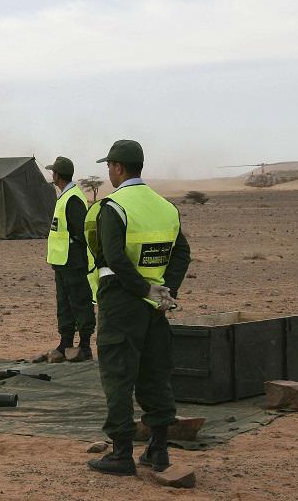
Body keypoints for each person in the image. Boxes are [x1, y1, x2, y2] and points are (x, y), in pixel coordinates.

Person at [83, 140, 191, 476]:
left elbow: (114, 257)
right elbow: (182, 253)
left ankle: (121, 453)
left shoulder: (113, 206)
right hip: (154, 306)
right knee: (155, 373)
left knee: (118, 375)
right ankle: (158, 451)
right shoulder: (165, 207)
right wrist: (163, 290)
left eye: (109, 167)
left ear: (117, 167)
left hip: (121, 301)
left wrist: (143, 288)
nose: (108, 173)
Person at [44, 156, 95, 362]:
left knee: (80, 302)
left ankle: (84, 345)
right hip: (62, 261)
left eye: (53, 172)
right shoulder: (65, 196)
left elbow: (80, 231)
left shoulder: (73, 198)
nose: (52, 176)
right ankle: (66, 342)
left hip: (74, 262)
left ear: (57, 175)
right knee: (64, 303)